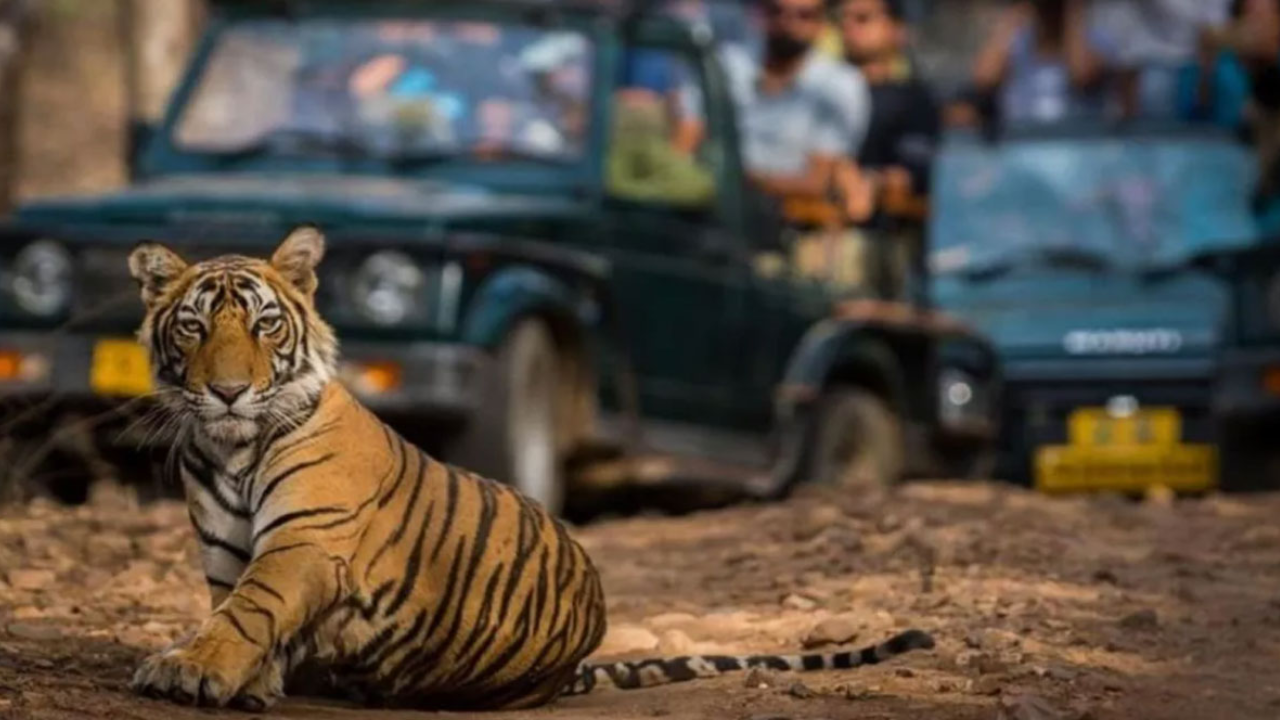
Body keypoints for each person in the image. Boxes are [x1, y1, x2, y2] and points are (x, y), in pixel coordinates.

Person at [720, 0, 874, 290]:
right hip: (711, 219)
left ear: (822, 24)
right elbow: (687, 142)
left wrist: (739, 178)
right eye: (777, 11)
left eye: (804, 15)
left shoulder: (839, 85)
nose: (788, 23)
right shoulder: (727, 63)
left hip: (786, 234)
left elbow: (815, 181)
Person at [836, 0, 939, 299]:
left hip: (879, 242)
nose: (849, 27)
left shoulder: (912, 99)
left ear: (896, 30)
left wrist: (870, 182)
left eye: (863, 18)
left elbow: (910, 175)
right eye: (843, 19)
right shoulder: (821, 92)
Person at [970, 0, 1115, 126]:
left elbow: (1083, 76)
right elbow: (984, 80)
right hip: (1021, 142)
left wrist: (1073, 11)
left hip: (1077, 142)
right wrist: (1016, 13)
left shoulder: (1095, 40)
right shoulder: (1016, 41)